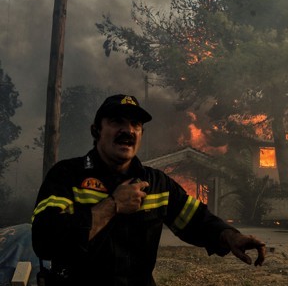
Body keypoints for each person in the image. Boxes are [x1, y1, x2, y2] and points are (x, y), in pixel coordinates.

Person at [31, 94, 266, 286]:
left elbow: (197, 220)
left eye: (135, 124)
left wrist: (232, 236)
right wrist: (112, 206)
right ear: (96, 131)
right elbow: (45, 240)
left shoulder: (158, 184)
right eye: (117, 122)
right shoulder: (66, 175)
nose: (128, 130)